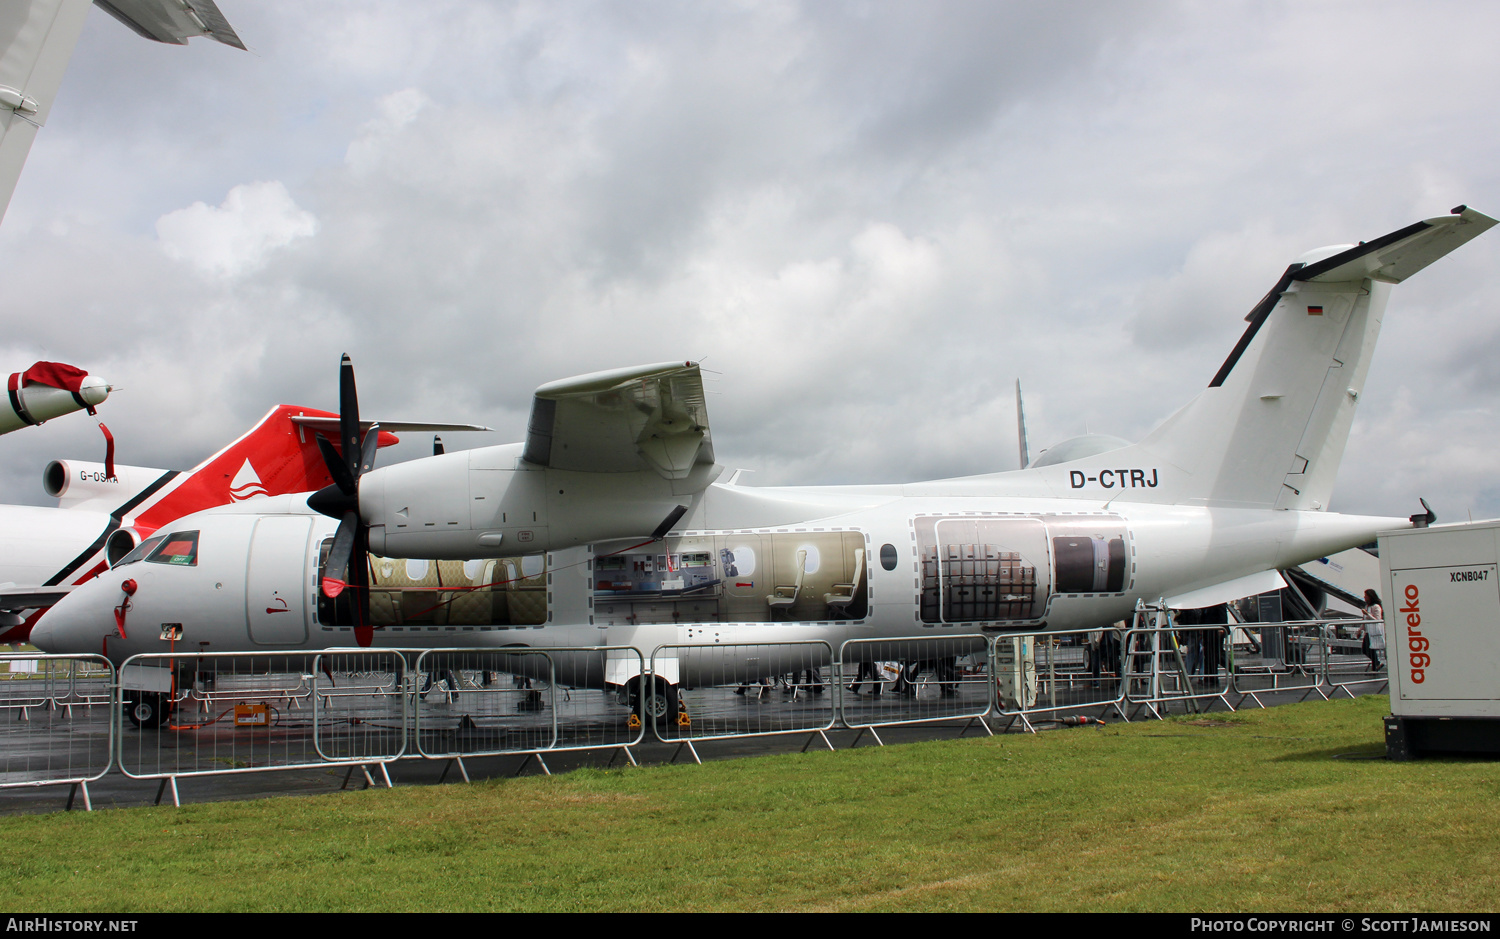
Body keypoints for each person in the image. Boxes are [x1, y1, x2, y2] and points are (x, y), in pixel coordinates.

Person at [1360, 588, 1385, 671]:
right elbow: (1364, 620)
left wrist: (1367, 614)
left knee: (1370, 649)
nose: (1365, 597)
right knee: (1366, 649)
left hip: (1374, 631)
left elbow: (1377, 619)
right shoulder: (1367, 606)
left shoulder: (1376, 607)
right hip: (1368, 631)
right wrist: (1360, 629)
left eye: (1366, 596)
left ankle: (1376, 665)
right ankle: (1376, 663)